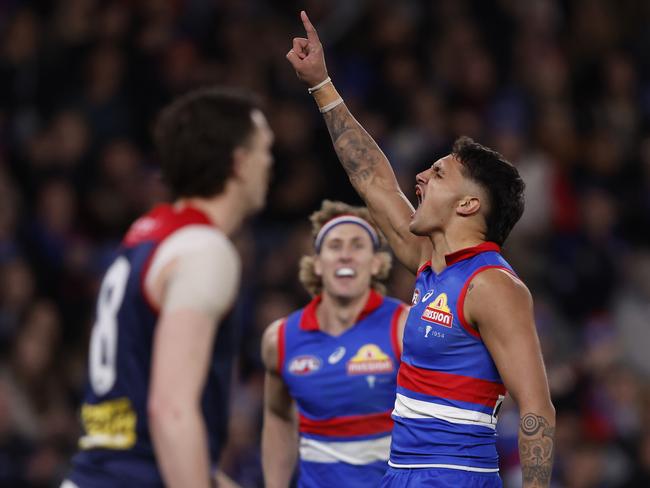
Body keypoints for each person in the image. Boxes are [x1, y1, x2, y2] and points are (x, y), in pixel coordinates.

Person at [286, 11, 555, 488]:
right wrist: (322, 85)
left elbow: (536, 409)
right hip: (403, 473)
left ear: (470, 204)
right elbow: (371, 179)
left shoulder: (491, 285)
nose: (419, 178)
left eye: (438, 174)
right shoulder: (432, 263)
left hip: (454, 478)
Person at [62, 87, 274, 488]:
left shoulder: (145, 238)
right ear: (240, 163)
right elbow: (171, 411)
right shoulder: (206, 250)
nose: (270, 164)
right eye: (265, 151)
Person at [261, 200, 409, 487]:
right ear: (317, 263)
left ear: (377, 262)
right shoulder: (279, 339)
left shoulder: (405, 327)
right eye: (335, 246)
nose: (345, 256)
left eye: (357, 246)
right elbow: (277, 415)